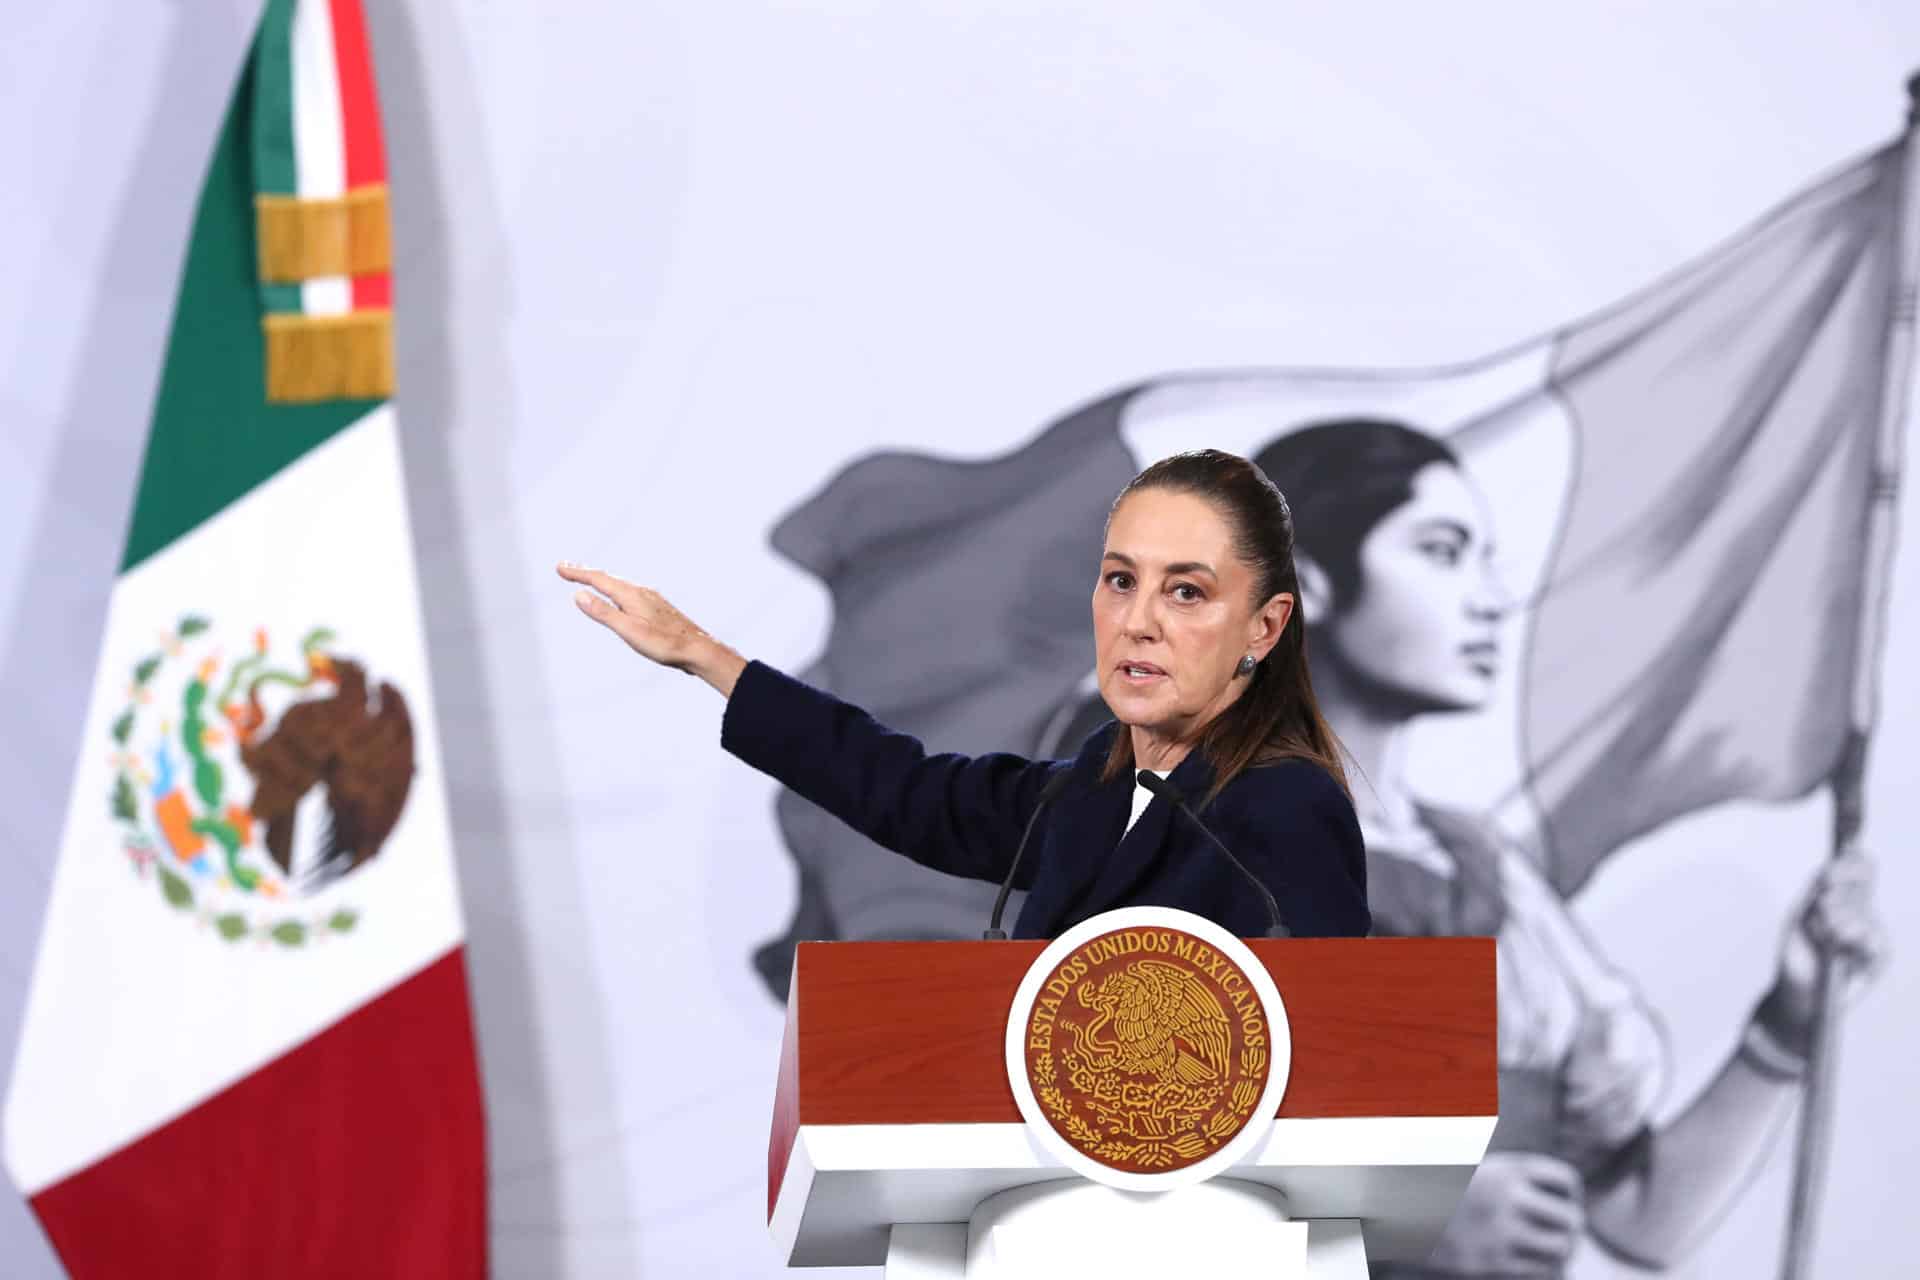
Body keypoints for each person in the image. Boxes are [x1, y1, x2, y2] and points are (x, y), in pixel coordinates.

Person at [1247, 419, 1886, 1278]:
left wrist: (1790, 1015)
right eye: (1441, 552)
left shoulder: (1485, 869)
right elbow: (1070, 1181)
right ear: (1307, 586)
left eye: (1484, 557)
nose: (1488, 597)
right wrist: (1402, 1220)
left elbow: (1639, 1219)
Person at [557, 449, 1369, 942]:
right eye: (1120, 581)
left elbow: (1326, 1060)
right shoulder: (1087, 795)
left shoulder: (1283, 805)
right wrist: (705, 657)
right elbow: (902, 788)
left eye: (1186, 593)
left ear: (1263, 628)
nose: (1139, 621)